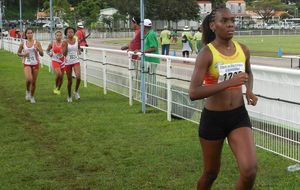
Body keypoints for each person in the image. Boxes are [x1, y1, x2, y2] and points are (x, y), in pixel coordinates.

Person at [188, 7, 258, 190]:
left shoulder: (243, 50)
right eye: (224, 21)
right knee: (211, 173)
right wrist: (230, 82)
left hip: (238, 116)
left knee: (249, 170)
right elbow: (193, 93)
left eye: (232, 21)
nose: (230, 25)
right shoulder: (207, 53)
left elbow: (248, 72)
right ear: (213, 25)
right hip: (213, 119)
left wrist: (249, 91)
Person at [17, 28, 44, 103]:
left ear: (33, 34)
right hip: (27, 63)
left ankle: (32, 96)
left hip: (35, 63)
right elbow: (18, 53)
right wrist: (23, 54)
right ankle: (27, 91)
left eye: (31, 33)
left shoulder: (37, 42)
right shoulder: (23, 43)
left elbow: (42, 54)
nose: (30, 34)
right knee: (29, 79)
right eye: (28, 33)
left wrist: (38, 49)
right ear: (25, 34)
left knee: (34, 82)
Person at [62, 27, 81, 103]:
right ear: (66, 33)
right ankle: (69, 95)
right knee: (70, 81)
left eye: (72, 32)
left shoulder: (76, 40)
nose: (70, 33)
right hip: (68, 62)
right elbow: (64, 54)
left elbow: (78, 47)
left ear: (74, 33)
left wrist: (79, 51)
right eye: (68, 32)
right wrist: (66, 45)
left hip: (76, 61)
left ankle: (76, 91)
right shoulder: (64, 42)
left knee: (78, 77)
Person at [144, 19, 160, 105]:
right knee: (149, 80)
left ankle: (153, 101)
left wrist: (143, 52)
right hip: (149, 60)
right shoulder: (149, 34)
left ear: (145, 26)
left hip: (152, 60)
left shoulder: (150, 34)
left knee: (151, 81)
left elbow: (154, 47)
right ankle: (151, 99)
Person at [46, 30, 65, 95]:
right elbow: (47, 51)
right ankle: (55, 85)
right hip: (55, 60)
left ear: (62, 36)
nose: (59, 37)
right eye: (57, 35)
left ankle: (57, 89)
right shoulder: (52, 43)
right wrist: (50, 54)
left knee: (61, 78)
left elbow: (67, 52)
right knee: (59, 74)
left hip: (62, 62)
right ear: (55, 36)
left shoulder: (64, 43)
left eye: (60, 35)